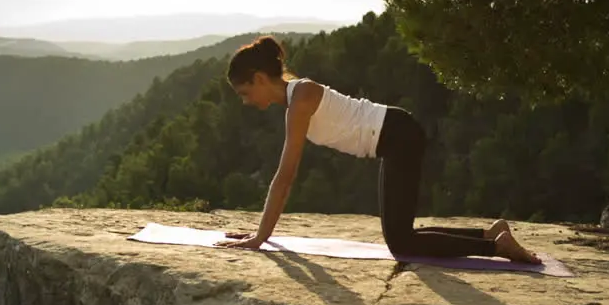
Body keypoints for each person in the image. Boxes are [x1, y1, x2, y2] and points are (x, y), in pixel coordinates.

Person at [213, 35, 541, 265]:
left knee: (401, 242)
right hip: (394, 138)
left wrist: (260, 237)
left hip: (398, 136)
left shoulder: (300, 100)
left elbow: (285, 177)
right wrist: (260, 233)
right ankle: (491, 232)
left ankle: (495, 247)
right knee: (403, 234)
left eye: (243, 93)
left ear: (258, 78)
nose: (244, 102)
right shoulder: (296, 99)